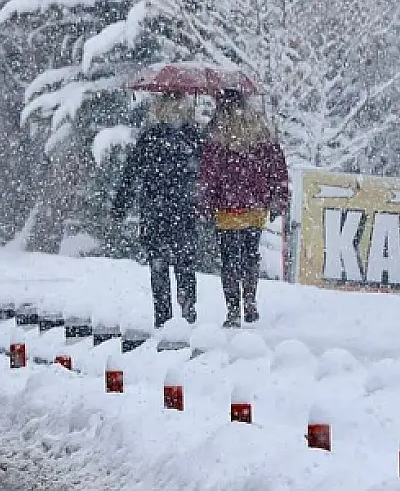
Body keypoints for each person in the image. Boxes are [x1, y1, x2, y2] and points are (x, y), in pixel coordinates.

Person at [198, 90, 289, 328]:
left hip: (227, 206)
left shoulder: (217, 135)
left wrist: (205, 203)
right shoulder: (261, 130)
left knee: (229, 258)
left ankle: (233, 311)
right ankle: (250, 300)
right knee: (250, 253)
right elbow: (277, 166)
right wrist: (278, 197)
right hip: (255, 204)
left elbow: (209, 175)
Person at [112, 93, 204, 327]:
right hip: (185, 210)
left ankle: (163, 318)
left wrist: (120, 206)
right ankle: (187, 314)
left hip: (155, 210)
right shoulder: (193, 138)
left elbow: (131, 174)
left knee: (159, 265)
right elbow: (207, 176)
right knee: (185, 265)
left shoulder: (150, 138)